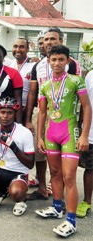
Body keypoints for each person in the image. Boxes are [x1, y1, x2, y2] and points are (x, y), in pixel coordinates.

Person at [34, 45, 91, 238]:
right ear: (48, 62)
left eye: (61, 59)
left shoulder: (76, 80)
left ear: (68, 61)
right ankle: (57, 208)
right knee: (55, 173)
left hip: (69, 133)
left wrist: (84, 135)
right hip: (51, 134)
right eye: (53, 60)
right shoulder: (44, 85)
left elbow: (87, 108)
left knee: (69, 176)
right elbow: (42, 112)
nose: (57, 63)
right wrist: (39, 136)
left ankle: (71, 221)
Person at [25, 27, 81, 200]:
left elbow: (76, 93)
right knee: (40, 153)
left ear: (61, 41)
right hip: (42, 112)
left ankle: (59, 195)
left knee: (62, 162)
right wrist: (28, 119)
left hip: (64, 116)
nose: (49, 42)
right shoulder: (39, 65)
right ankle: (42, 188)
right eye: (46, 39)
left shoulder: (71, 63)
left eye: (53, 39)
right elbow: (33, 92)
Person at [76, 69, 93, 218]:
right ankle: (87, 202)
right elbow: (84, 104)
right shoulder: (90, 75)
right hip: (91, 132)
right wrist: (81, 129)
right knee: (90, 168)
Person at [8, 37, 35, 121]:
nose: (18, 49)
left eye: (21, 47)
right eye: (15, 46)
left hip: (26, 108)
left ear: (27, 49)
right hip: (9, 108)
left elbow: (34, 91)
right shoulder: (9, 65)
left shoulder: (34, 65)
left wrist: (27, 109)